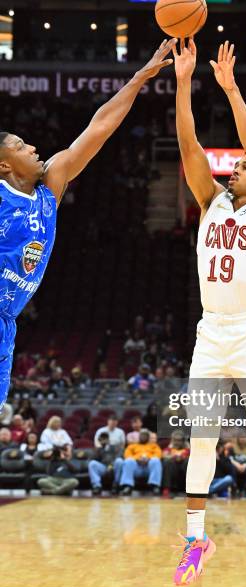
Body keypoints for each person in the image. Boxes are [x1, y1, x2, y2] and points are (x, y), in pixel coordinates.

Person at [172, 39, 246, 585]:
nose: (236, 168)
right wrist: (183, 83)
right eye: (235, 165)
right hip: (210, 334)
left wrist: (230, 88)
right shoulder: (209, 202)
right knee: (200, 439)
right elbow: (188, 145)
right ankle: (197, 540)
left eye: (241, 167)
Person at [0, 39, 176, 415]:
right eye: (19, 146)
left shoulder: (50, 187)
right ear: (3, 166)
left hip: (7, 322)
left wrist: (140, 77)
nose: (31, 147)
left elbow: (99, 128)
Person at [119, 429, 162, 496]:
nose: (143, 437)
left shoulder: (154, 446)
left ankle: (155, 486)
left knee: (156, 461)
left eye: (145, 435)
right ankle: (127, 486)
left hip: (149, 467)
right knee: (128, 461)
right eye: (142, 435)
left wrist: (149, 459)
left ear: (148, 437)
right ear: (139, 436)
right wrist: (137, 459)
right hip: (137, 467)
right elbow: (127, 455)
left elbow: (158, 455)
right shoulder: (132, 446)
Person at [162, 430, 190, 497]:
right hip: (172, 471)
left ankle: (190, 489)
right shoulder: (169, 448)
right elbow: (164, 455)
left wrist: (182, 457)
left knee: (188, 461)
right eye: (175, 440)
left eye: (179, 440)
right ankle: (166, 489)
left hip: (183, 471)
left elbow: (192, 455)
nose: (177, 442)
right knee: (167, 461)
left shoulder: (188, 449)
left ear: (183, 441)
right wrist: (173, 457)